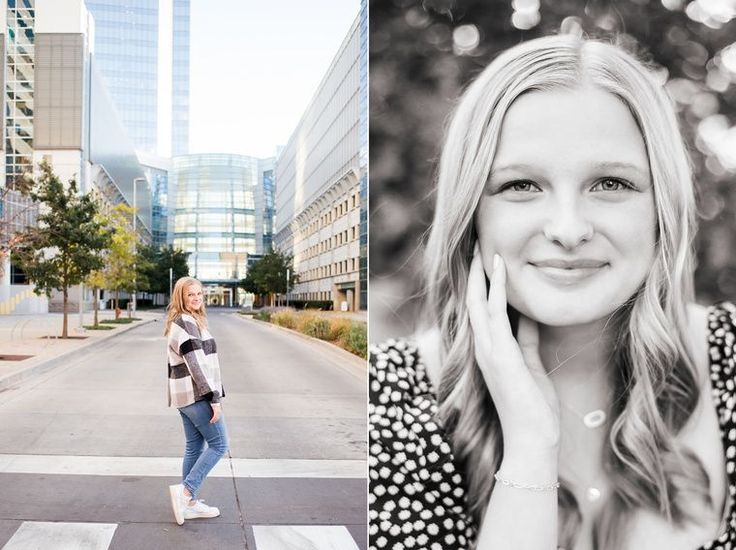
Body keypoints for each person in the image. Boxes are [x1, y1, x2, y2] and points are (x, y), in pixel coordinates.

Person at [369, 34, 736, 550]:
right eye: (521, 185)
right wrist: (530, 451)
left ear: (662, 209)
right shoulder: (385, 403)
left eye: (610, 183)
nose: (568, 228)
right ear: (472, 213)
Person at [165, 276, 228, 525]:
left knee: (194, 446)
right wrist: (214, 398)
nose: (196, 298)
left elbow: (206, 363)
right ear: (181, 296)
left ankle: (188, 504)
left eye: (199, 294)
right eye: (190, 294)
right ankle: (185, 492)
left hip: (184, 397)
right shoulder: (186, 322)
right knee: (220, 444)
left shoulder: (186, 321)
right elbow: (197, 365)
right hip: (195, 395)